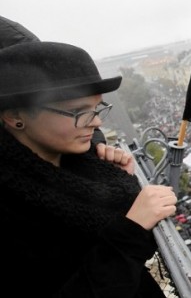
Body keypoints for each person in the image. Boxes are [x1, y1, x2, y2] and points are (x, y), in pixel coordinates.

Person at [0, 41, 178, 297]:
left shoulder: (85, 162)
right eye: (78, 111)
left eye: (97, 108)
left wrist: (112, 172)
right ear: (15, 115)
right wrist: (132, 230)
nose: (95, 122)